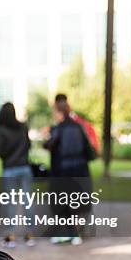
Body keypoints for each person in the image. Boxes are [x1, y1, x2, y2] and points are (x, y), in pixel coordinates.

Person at [43, 101, 93, 246]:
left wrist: (47, 137)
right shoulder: (79, 127)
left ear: (59, 113)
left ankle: (64, 234)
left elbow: (49, 145)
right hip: (79, 171)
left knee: (60, 203)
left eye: (54, 112)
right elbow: (88, 150)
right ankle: (75, 234)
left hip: (62, 171)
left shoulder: (58, 128)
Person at [0, 103, 35, 247]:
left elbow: (0, 151)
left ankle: (11, 237)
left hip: (10, 169)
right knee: (27, 201)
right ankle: (30, 236)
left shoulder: (2, 130)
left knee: (10, 203)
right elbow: (29, 146)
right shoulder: (23, 127)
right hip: (25, 168)